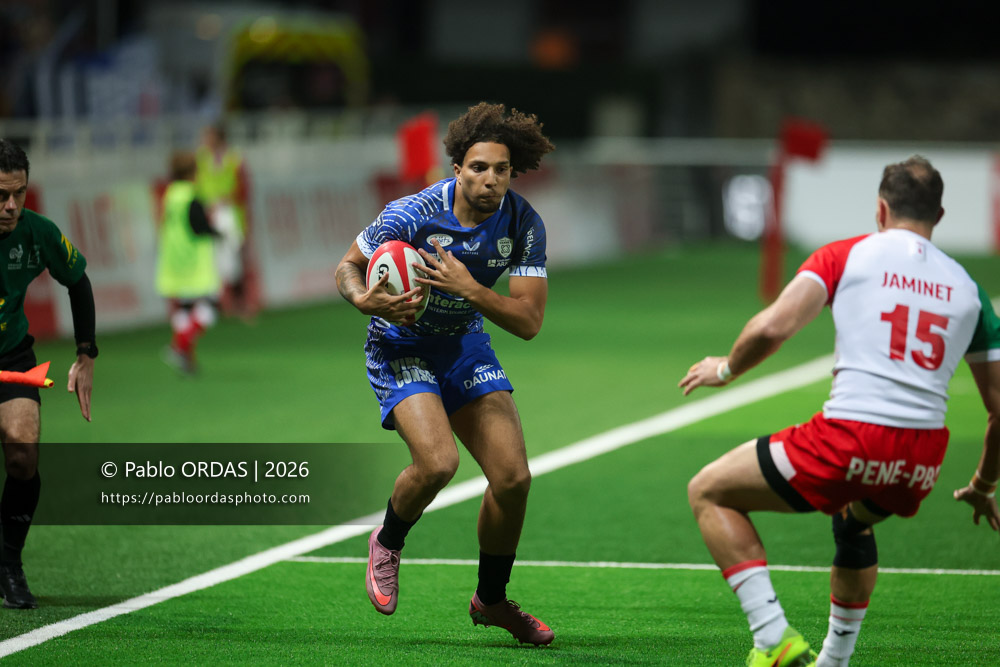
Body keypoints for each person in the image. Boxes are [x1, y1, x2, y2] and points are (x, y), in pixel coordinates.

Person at [679, 156, 1000, 667]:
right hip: (919, 462)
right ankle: (834, 660)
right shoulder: (971, 292)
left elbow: (771, 328)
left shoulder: (846, 255)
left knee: (709, 491)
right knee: (853, 522)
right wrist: (983, 486)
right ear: (939, 215)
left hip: (850, 438)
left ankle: (771, 637)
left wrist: (725, 370)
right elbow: (999, 410)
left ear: (879, 208)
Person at [335, 102, 556, 646]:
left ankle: (493, 600)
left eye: (500, 169)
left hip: (464, 345)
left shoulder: (524, 224)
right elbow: (347, 267)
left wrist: (472, 291)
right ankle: (387, 542)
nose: (489, 179)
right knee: (438, 463)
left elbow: (528, 322)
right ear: (458, 167)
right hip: (400, 343)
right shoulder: (410, 214)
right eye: (478, 167)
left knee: (513, 479)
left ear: (512, 172)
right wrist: (365, 300)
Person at [0, 138, 97, 609]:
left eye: (18, 193)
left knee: (23, 455)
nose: (11, 206)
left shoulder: (37, 232)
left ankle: (9, 563)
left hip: (11, 357)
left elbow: (77, 280)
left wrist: (86, 353)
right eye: (1, 195)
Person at [156, 151, 220, 375]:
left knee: (184, 308)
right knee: (211, 307)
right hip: (193, 262)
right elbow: (199, 227)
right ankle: (178, 346)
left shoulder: (170, 194)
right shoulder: (192, 196)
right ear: (193, 172)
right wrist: (219, 233)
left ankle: (187, 359)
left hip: (173, 260)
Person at [195, 122, 255, 321]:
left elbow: (244, 188)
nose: (205, 141)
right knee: (212, 262)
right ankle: (217, 306)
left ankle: (242, 305)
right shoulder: (202, 160)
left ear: (218, 138)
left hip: (231, 216)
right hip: (210, 215)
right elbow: (198, 186)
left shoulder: (234, 159)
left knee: (235, 262)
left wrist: (228, 198)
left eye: (208, 137)